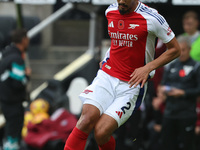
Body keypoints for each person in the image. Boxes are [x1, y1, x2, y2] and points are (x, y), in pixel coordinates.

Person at [64, 0, 181, 149]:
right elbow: (118, 42)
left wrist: (148, 68)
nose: (121, 2)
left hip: (131, 85)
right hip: (106, 77)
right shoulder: (110, 11)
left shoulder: (152, 18)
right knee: (86, 120)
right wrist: (107, 58)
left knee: (101, 133)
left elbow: (175, 49)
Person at [158, 36, 200, 150]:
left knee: (187, 146)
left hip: (186, 114)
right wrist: (162, 91)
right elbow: (162, 84)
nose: (181, 53)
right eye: (179, 50)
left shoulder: (196, 66)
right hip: (169, 113)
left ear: (190, 49)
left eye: (184, 50)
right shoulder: (171, 65)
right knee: (168, 145)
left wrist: (183, 92)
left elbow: (198, 90)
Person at [0, 28, 31, 150]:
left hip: (6, 102)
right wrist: (27, 75)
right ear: (23, 40)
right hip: (13, 103)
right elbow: (18, 83)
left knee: (10, 133)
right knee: (13, 135)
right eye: (27, 39)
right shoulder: (16, 58)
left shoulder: (7, 55)